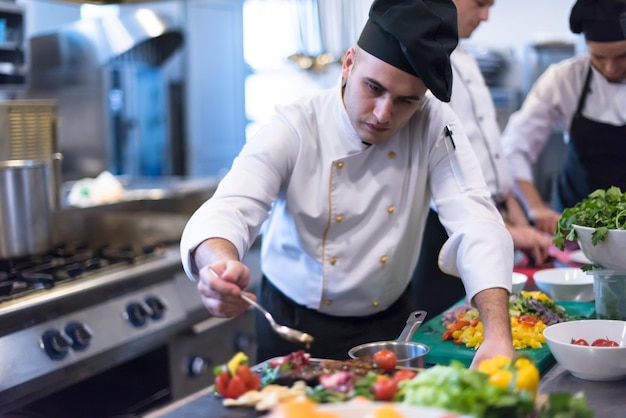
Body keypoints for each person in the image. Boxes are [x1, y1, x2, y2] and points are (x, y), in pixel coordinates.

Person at [180, 0, 515, 367]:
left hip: (390, 325)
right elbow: (231, 205)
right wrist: (219, 265)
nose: (383, 114)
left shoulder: (434, 123)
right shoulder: (296, 125)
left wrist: (497, 334)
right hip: (293, 327)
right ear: (349, 63)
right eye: (373, 88)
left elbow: (476, 220)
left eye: (405, 101)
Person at [411, 0, 552, 320]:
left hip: (492, 219)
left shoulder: (465, 56)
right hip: (446, 232)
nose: (486, 16)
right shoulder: (421, 60)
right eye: (480, 4)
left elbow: (491, 150)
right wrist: (508, 231)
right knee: (450, 328)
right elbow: (438, 174)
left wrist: (514, 215)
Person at [501, 0, 626, 235]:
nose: (610, 68)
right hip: (574, 226)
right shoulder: (564, 79)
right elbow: (514, 148)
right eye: (598, 58)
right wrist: (536, 207)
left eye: (622, 56)